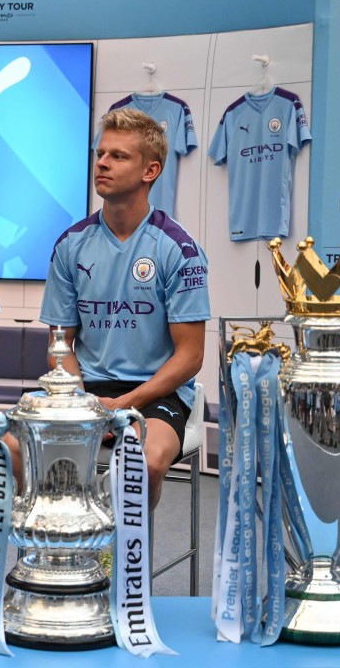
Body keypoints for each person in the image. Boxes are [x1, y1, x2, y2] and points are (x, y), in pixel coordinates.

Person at [40, 108, 210, 510]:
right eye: (101, 153)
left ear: (150, 171)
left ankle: (121, 566)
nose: (102, 163)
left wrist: (123, 404)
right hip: (84, 392)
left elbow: (191, 356)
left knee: (143, 463)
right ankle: (58, 551)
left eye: (118, 156)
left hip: (156, 394)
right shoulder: (71, 244)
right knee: (11, 447)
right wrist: (81, 403)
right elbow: (60, 344)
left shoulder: (178, 249)